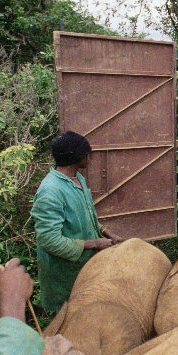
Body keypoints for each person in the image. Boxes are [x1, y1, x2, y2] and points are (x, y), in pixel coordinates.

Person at [32, 131, 118, 312]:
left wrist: (103, 231)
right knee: (66, 320)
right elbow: (49, 240)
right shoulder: (50, 192)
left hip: (84, 268)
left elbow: (82, 216)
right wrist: (95, 243)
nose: (89, 156)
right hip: (64, 274)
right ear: (75, 157)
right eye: (86, 153)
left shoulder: (77, 179)